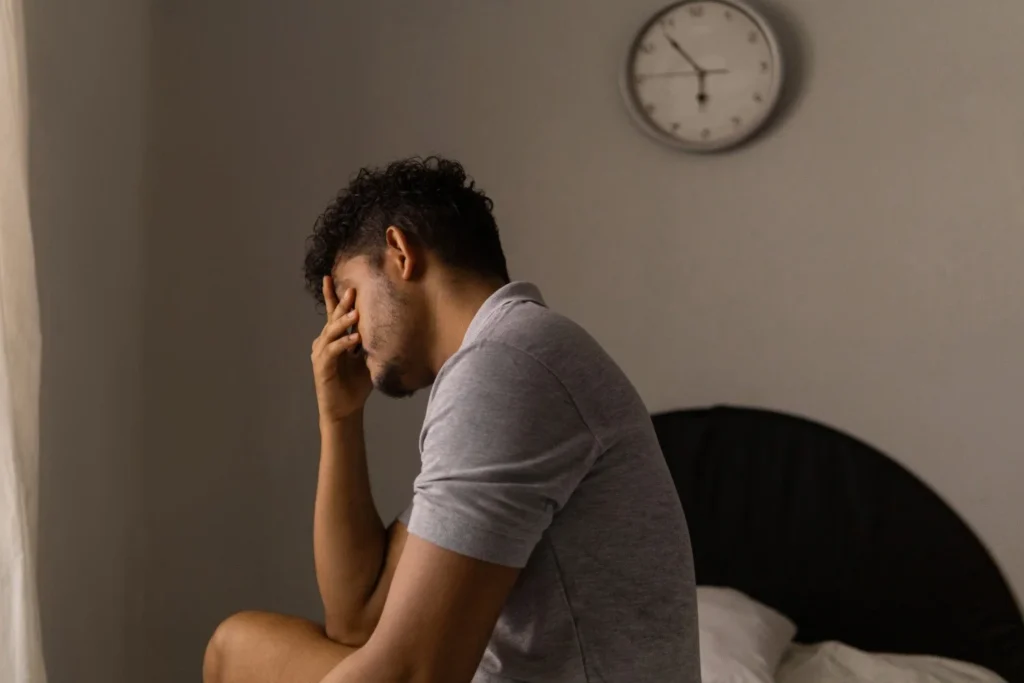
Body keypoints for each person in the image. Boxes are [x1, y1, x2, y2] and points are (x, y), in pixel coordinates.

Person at [203, 157, 699, 683]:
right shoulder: (515, 356)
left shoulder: (506, 364)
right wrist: (339, 417)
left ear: (400, 253)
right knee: (239, 645)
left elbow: (415, 675)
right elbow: (358, 619)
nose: (347, 331)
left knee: (239, 653)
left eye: (349, 297)